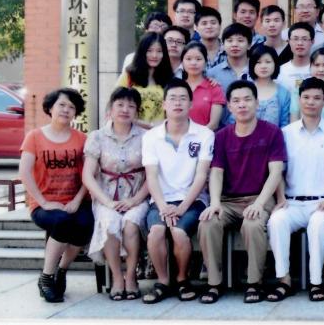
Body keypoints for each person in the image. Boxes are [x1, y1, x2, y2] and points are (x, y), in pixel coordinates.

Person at [197, 81, 286, 304]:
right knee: (208, 222)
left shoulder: (272, 132)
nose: (242, 105)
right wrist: (214, 203)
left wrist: (260, 203)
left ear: (257, 103)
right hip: (228, 200)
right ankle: (214, 283)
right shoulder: (222, 136)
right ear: (229, 106)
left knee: (253, 224)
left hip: (259, 197)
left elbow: (276, 172)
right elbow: (216, 173)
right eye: (236, 101)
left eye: (247, 99)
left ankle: (254, 282)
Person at [266, 78, 324, 302]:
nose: (311, 102)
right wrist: (280, 197)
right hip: (292, 201)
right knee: (276, 221)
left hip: (323, 202)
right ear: (299, 100)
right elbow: (278, 170)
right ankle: (284, 281)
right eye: (306, 97)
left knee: (318, 225)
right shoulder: (285, 133)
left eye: (317, 98)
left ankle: (315, 283)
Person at [141, 78, 214, 304]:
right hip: (161, 200)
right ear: (164, 104)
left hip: (193, 201)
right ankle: (163, 282)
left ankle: (182, 280)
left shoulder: (204, 134)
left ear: (191, 104)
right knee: (156, 231)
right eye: (172, 98)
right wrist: (163, 206)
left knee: (179, 232)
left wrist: (182, 208)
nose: (178, 103)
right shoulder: (151, 136)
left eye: (183, 98)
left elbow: (201, 175)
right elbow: (151, 176)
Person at [20, 88, 92, 303]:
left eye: (71, 107)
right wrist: (43, 202)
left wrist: (77, 201)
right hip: (44, 205)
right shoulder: (34, 137)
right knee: (62, 221)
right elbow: (24, 172)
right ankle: (46, 277)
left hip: (76, 201)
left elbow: (89, 174)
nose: (66, 110)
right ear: (50, 108)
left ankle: (61, 270)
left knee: (85, 223)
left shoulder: (82, 139)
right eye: (61, 105)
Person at [82, 87, 148, 301]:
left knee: (130, 224)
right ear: (110, 109)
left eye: (131, 106)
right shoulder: (97, 137)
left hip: (137, 196)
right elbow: (88, 176)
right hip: (106, 197)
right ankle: (117, 277)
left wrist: (135, 200)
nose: (125, 109)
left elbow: (153, 175)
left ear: (137, 111)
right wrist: (107, 202)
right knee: (110, 222)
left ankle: (131, 276)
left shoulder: (146, 137)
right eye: (120, 105)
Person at [222, 44, 290, 128]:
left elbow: (284, 124)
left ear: (275, 64)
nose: (263, 66)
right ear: (252, 64)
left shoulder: (283, 93)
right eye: (258, 62)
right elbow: (232, 121)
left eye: (268, 62)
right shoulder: (243, 89)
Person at [117, 32, 173, 128]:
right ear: (142, 52)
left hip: (159, 133)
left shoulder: (169, 78)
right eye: (149, 50)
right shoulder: (129, 76)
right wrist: (148, 125)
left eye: (159, 51)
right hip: (132, 132)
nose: (154, 55)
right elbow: (115, 105)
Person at [279, 22, 316, 120]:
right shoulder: (280, 71)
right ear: (288, 41)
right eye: (295, 39)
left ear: (312, 41)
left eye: (304, 39)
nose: (300, 43)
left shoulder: (319, 70)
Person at [206, 23, 253, 92]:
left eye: (240, 40)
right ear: (223, 45)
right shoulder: (212, 73)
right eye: (230, 41)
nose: (234, 44)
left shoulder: (258, 70)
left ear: (249, 45)